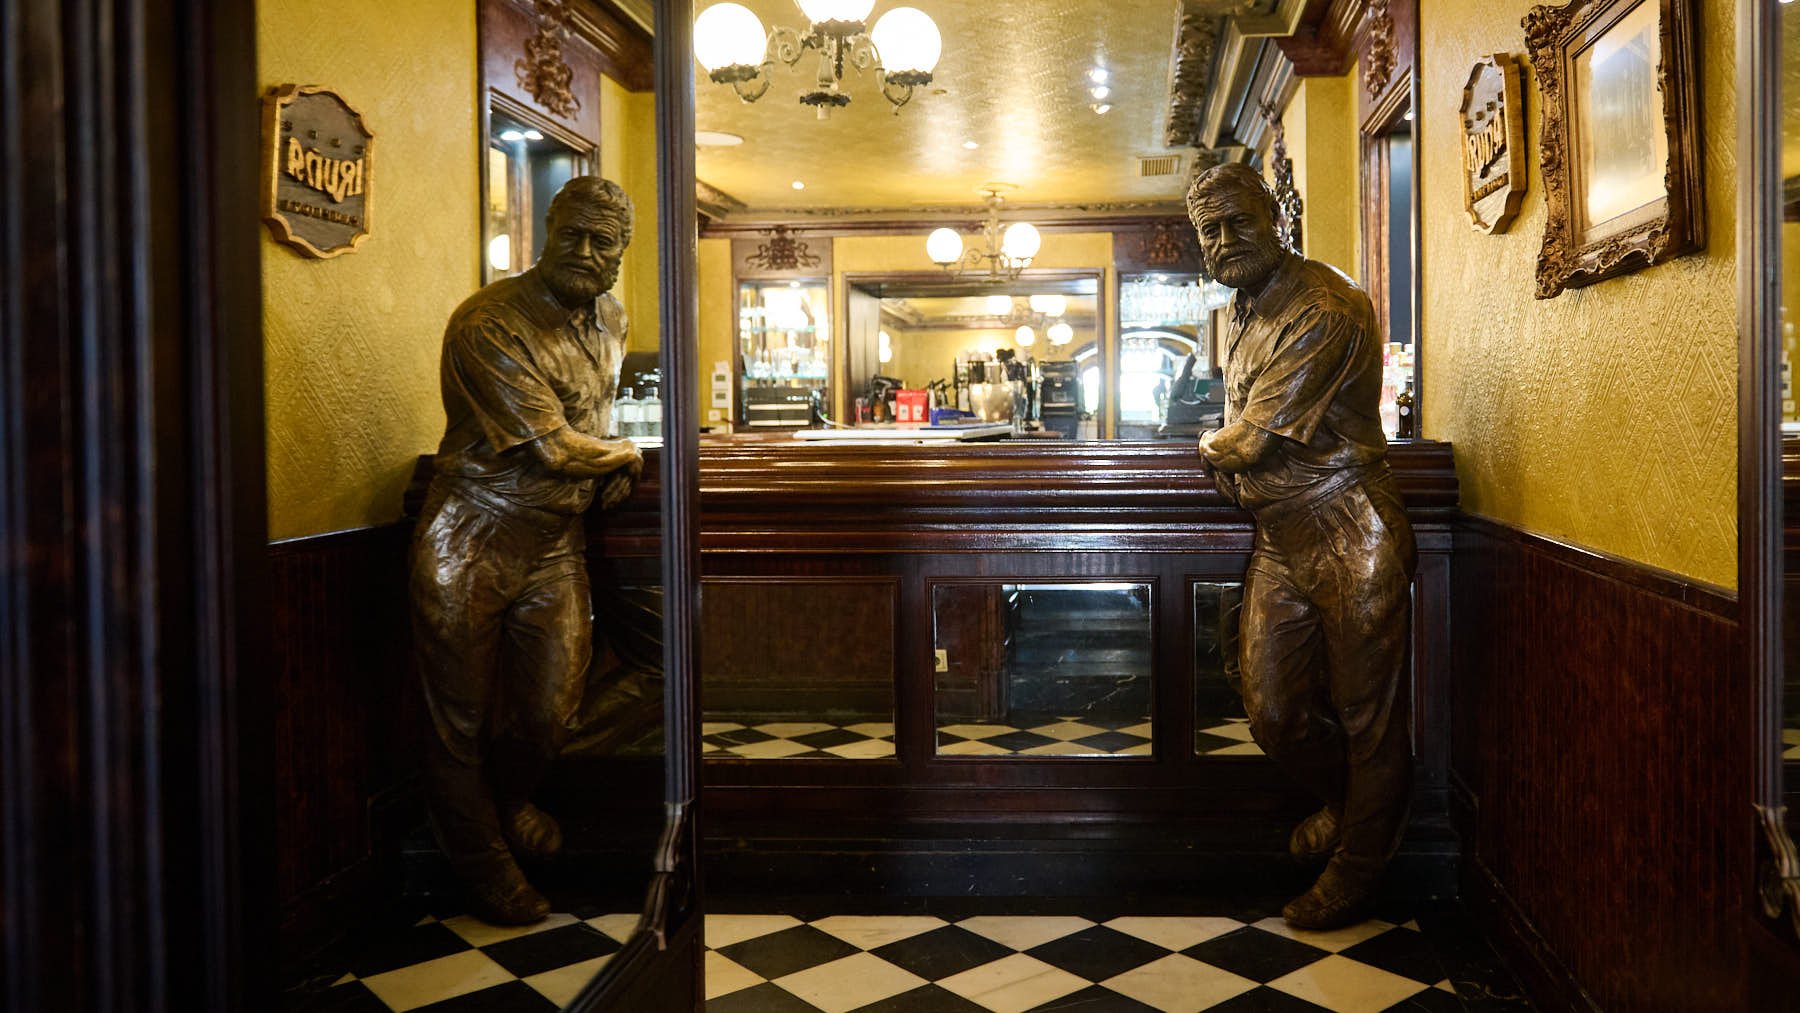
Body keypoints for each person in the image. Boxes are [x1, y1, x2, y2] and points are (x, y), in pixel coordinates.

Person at [1187, 162, 1417, 930]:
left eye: (1235, 222)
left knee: (1366, 715)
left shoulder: (1324, 305)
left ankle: (1359, 864)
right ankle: (1359, 811)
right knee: (1275, 708)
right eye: (1208, 230)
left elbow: (1246, 442)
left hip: (1352, 529)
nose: (1223, 241)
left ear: (1274, 217)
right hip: (1284, 537)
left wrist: (1209, 442)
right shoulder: (1247, 309)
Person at [409, 176, 643, 925]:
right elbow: (555, 447)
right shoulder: (490, 322)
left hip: (553, 541)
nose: (583, 250)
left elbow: (591, 420)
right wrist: (624, 457)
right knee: (461, 720)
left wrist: (606, 456)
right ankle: (482, 863)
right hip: (472, 536)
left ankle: (506, 803)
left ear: (620, 253)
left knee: (549, 710)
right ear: (546, 229)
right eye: (570, 233)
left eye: (601, 240)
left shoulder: (611, 316)